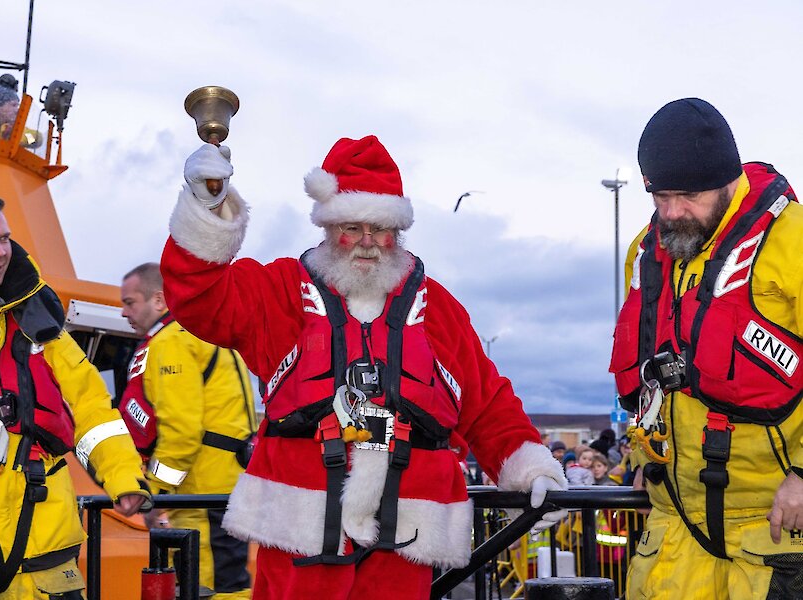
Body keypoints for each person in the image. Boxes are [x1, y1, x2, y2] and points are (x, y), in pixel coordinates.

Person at [160, 135, 568, 598]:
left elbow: (486, 401)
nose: (368, 243)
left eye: (381, 228)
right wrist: (205, 205)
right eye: (352, 227)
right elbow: (199, 298)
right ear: (328, 227)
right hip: (300, 537)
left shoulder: (441, 308)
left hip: (407, 536)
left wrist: (532, 470)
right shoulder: (277, 290)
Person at [0, 189, 150, 598]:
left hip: (44, 558)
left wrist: (122, 476)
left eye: (4, 238)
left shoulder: (42, 329)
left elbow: (91, 407)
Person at [610, 98, 803, 598]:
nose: (673, 212)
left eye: (689, 194)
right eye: (660, 195)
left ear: (728, 179)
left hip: (773, 531)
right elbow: (650, 373)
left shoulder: (793, 243)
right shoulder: (645, 251)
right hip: (672, 533)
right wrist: (644, 458)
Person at [118, 262, 255, 599]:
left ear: (160, 301)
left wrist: (157, 493)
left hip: (201, 494)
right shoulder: (206, 334)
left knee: (209, 588)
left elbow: (181, 432)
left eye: (130, 302)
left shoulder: (171, 343)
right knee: (229, 582)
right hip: (227, 488)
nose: (123, 312)